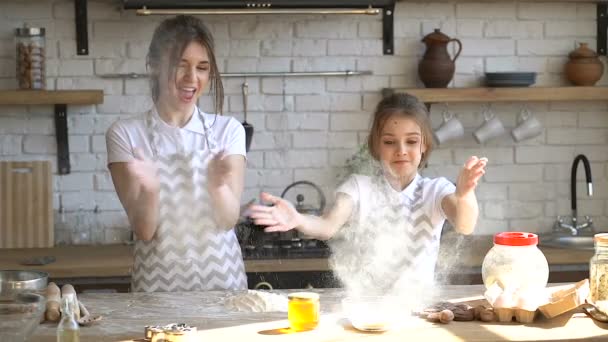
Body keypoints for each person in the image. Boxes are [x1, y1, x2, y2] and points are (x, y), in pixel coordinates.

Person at [249, 93, 488, 296]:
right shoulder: (359, 188)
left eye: (412, 141)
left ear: (424, 145)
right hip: (367, 308)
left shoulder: (436, 190)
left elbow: (465, 224)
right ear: (376, 145)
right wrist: (298, 219)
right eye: (389, 142)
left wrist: (465, 193)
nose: (401, 151)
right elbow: (327, 225)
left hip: (418, 308)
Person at [105, 15, 247, 292]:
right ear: (154, 66)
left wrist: (217, 187)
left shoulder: (227, 131)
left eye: (202, 68)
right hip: (158, 294)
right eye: (180, 66)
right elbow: (144, 231)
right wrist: (151, 190)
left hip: (224, 289)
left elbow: (228, 220)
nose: (192, 78)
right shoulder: (126, 134)